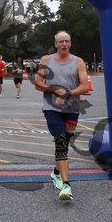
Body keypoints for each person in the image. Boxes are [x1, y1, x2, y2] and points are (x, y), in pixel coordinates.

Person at [35, 31, 88, 201]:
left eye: (67, 41)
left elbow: (85, 85)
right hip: (51, 108)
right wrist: (54, 89)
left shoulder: (78, 61)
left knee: (65, 142)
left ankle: (56, 172)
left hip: (72, 109)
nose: (64, 44)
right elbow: (38, 83)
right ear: (55, 44)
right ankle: (66, 185)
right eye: (61, 41)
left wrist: (67, 93)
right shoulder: (46, 60)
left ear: (70, 43)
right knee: (60, 140)